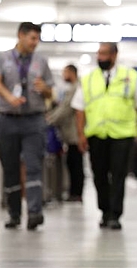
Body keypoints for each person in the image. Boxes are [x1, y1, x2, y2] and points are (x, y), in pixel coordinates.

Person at [71, 42, 137, 230]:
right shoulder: (88, 79)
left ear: (114, 55)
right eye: (99, 54)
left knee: (119, 174)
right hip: (97, 135)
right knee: (99, 175)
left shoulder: (129, 77)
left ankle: (114, 214)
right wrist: (80, 134)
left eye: (104, 54)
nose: (100, 58)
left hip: (122, 135)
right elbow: (79, 109)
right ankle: (104, 211)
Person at [0, 22, 54, 230]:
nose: (35, 43)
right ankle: (14, 213)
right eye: (32, 38)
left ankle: (35, 212)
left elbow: (50, 93)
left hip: (33, 120)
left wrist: (44, 88)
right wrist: (10, 98)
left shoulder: (41, 61)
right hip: (8, 118)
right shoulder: (1, 58)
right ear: (21, 36)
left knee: (34, 165)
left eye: (37, 39)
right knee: (10, 167)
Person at [46, 64, 84, 203]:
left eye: (65, 72)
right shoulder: (73, 88)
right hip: (70, 133)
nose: (63, 76)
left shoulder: (76, 88)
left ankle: (76, 193)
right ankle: (74, 192)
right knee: (72, 162)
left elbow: (66, 109)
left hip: (75, 133)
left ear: (71, 73)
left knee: (75, 163)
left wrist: (49, 120)